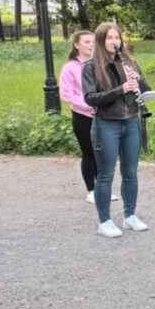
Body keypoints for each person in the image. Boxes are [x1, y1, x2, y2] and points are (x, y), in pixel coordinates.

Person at [82, 22, 151, 238]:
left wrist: (138, 80)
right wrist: (120, 89)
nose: (115, 42)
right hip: (106, 124)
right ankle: (104, 221)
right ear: (101, 41)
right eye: (110, 38)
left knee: (130, 172)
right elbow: (90, 98)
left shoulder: (129, 62)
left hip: (130, 121)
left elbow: (145, 91)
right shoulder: (91, 67)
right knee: (106, 174)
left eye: (117, 37)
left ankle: (129, 215)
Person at [60, 30, 116, 205]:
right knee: (89, 153)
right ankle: (91, 190)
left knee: (104, 153)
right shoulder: (70, 68)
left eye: (93, 41)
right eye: (86, 42)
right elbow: (67, 95)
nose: (91, 45)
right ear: (76, 45)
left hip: (103, 115)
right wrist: (90, 104)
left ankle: (103, 189)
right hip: (83, 116)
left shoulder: (100, 64)